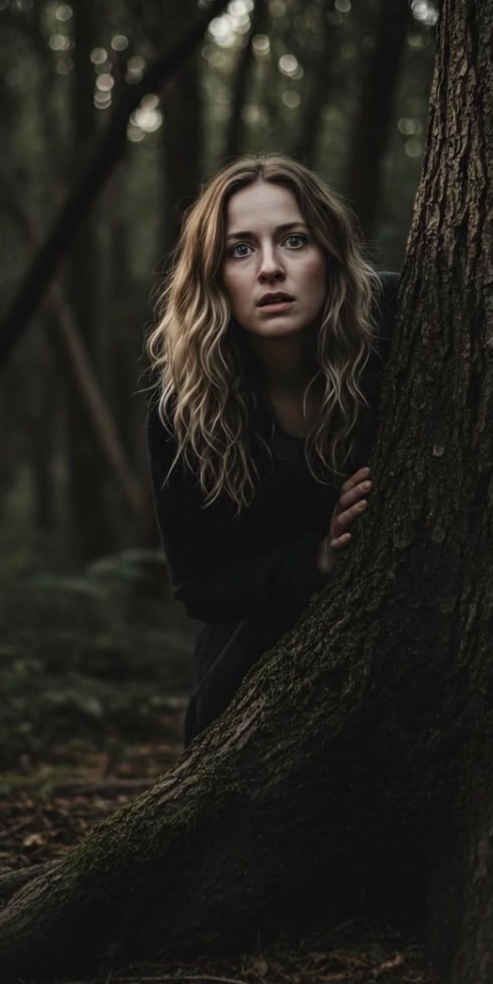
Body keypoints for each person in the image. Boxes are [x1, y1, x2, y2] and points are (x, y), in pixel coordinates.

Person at [143, 154, 399, 746]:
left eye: (293, 240)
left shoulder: (396, 320)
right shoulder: (181, 406)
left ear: (329, 256)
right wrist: (317, 560)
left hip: (406, 648)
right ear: (212, 275)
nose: (269, 269)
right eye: (240, 249)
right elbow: (199, 587)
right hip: (254, 681)